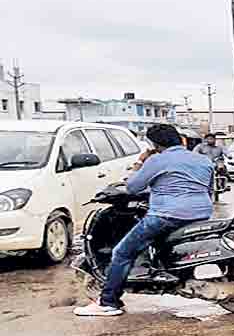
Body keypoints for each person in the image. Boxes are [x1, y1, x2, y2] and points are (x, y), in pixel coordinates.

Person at [76, 124, 215, 317]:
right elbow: (207, 188)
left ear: (154, 144)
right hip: (201, 212)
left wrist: (140, 162)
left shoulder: (157, 160)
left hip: (167, 215)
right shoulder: (203, 160)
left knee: (122, 252)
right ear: (180, 140)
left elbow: (132, 187)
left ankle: (108, 302)